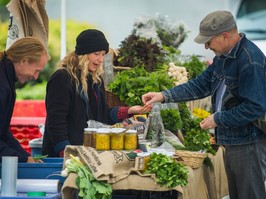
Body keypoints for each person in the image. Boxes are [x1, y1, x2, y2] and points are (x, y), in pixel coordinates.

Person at [142, 10, 266, 199]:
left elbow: (255, 106)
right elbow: (200, 85)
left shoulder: (250, 60)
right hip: (234, 141)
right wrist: (163, 95)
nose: (207, 47)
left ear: (224, 36)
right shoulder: (223, 57)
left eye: (209, 41)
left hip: (248, 143)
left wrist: (218, 119)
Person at [42, 29, 152, 157]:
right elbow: (56, 121)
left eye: (103, 54)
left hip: (90, 152)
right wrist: (66, 152)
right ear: (84, 53)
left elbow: (103, 115)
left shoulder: (96, 80)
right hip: (66, 153)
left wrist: (129, 111)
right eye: (96, 54)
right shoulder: (62, 78)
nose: (100, 59)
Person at [0, 37, 50, 163]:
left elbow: (4, 133)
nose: (35, 76)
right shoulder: (2, 84)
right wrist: (23, 158)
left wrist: (26, 157)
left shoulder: (7, 79)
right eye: (36, 70)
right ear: (23, 61)